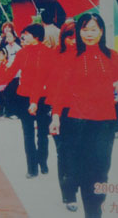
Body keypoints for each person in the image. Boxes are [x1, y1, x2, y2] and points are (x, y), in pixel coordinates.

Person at [49, 13, 118, 218]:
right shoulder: (71, 56)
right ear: (79, 32)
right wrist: (56, 116)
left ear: (101, 31)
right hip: (77, 121)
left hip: (105, 123)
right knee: (82, 171)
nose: (89, 34)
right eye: (84, 29)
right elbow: (61, 89)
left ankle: (94, 212)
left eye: (93, 29)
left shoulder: (112, 56)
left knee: (101, 172)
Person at [0, 24, 53, 178]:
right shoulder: (22, 53)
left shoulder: (47, 53)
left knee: (42, 133)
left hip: (42, 98)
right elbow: (10, 72)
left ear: (37, 36)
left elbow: (41, 78)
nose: (24, 37)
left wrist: (35, 101)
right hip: (24, 97)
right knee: (28, 133)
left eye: (27, 34)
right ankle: (32, 168)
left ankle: (42, 161)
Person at [45, 21, 79, 212]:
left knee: (79, 152)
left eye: (76, 37)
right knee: (64, 152)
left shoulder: (87, 56)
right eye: (69, 37)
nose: (73, 41)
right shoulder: (56, 55)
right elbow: (54, 86)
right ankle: (68, 194)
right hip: (60, 109)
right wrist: (55, 114)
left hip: (82, 111)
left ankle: (74, 188)